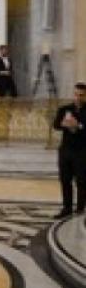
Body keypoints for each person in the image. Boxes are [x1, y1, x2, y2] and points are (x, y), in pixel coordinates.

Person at [51, 83, 86, 219]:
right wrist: (64, 124)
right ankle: (67, 208)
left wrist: (79, 125)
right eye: (76, 94)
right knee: (65, 180)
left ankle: (80, 208)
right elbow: (56, 125)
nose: (78, 98)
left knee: (81, 181)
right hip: (66, 150)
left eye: (81, 95)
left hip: (82, 151)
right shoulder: (65, 109)